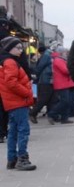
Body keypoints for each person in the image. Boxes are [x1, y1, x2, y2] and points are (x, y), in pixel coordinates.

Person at [0, 37, 36, 171]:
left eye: (21, 48)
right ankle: (22, 158)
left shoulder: (5, 61)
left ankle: (12, 159)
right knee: (23, 130)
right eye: (18, 48)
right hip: (18, 101)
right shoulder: (10, 62)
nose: (21, 50)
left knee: (13, 131)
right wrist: (27, 92)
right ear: (10, 49)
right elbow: (11, 83)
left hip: (11, 102)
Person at [47, 47, 74, 125]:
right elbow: (66, 71)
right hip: (61, 84)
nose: (66, 54)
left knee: (66, 101)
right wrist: (73, 69)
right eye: (65, 52)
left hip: (64, 84)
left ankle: (64, 118)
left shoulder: (59, 60)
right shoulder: (58, 60)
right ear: (61, 53)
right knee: (65, 101)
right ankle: (52, 114)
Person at [30, 45, 55, 123]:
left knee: (49, 99)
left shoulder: (47, 55)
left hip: (47, 80)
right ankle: (33, 113)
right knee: (44, 99)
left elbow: (40, 66)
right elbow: (40, 66)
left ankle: (51, 116)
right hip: (46, 80)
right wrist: (36, 75)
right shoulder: (47, 55)